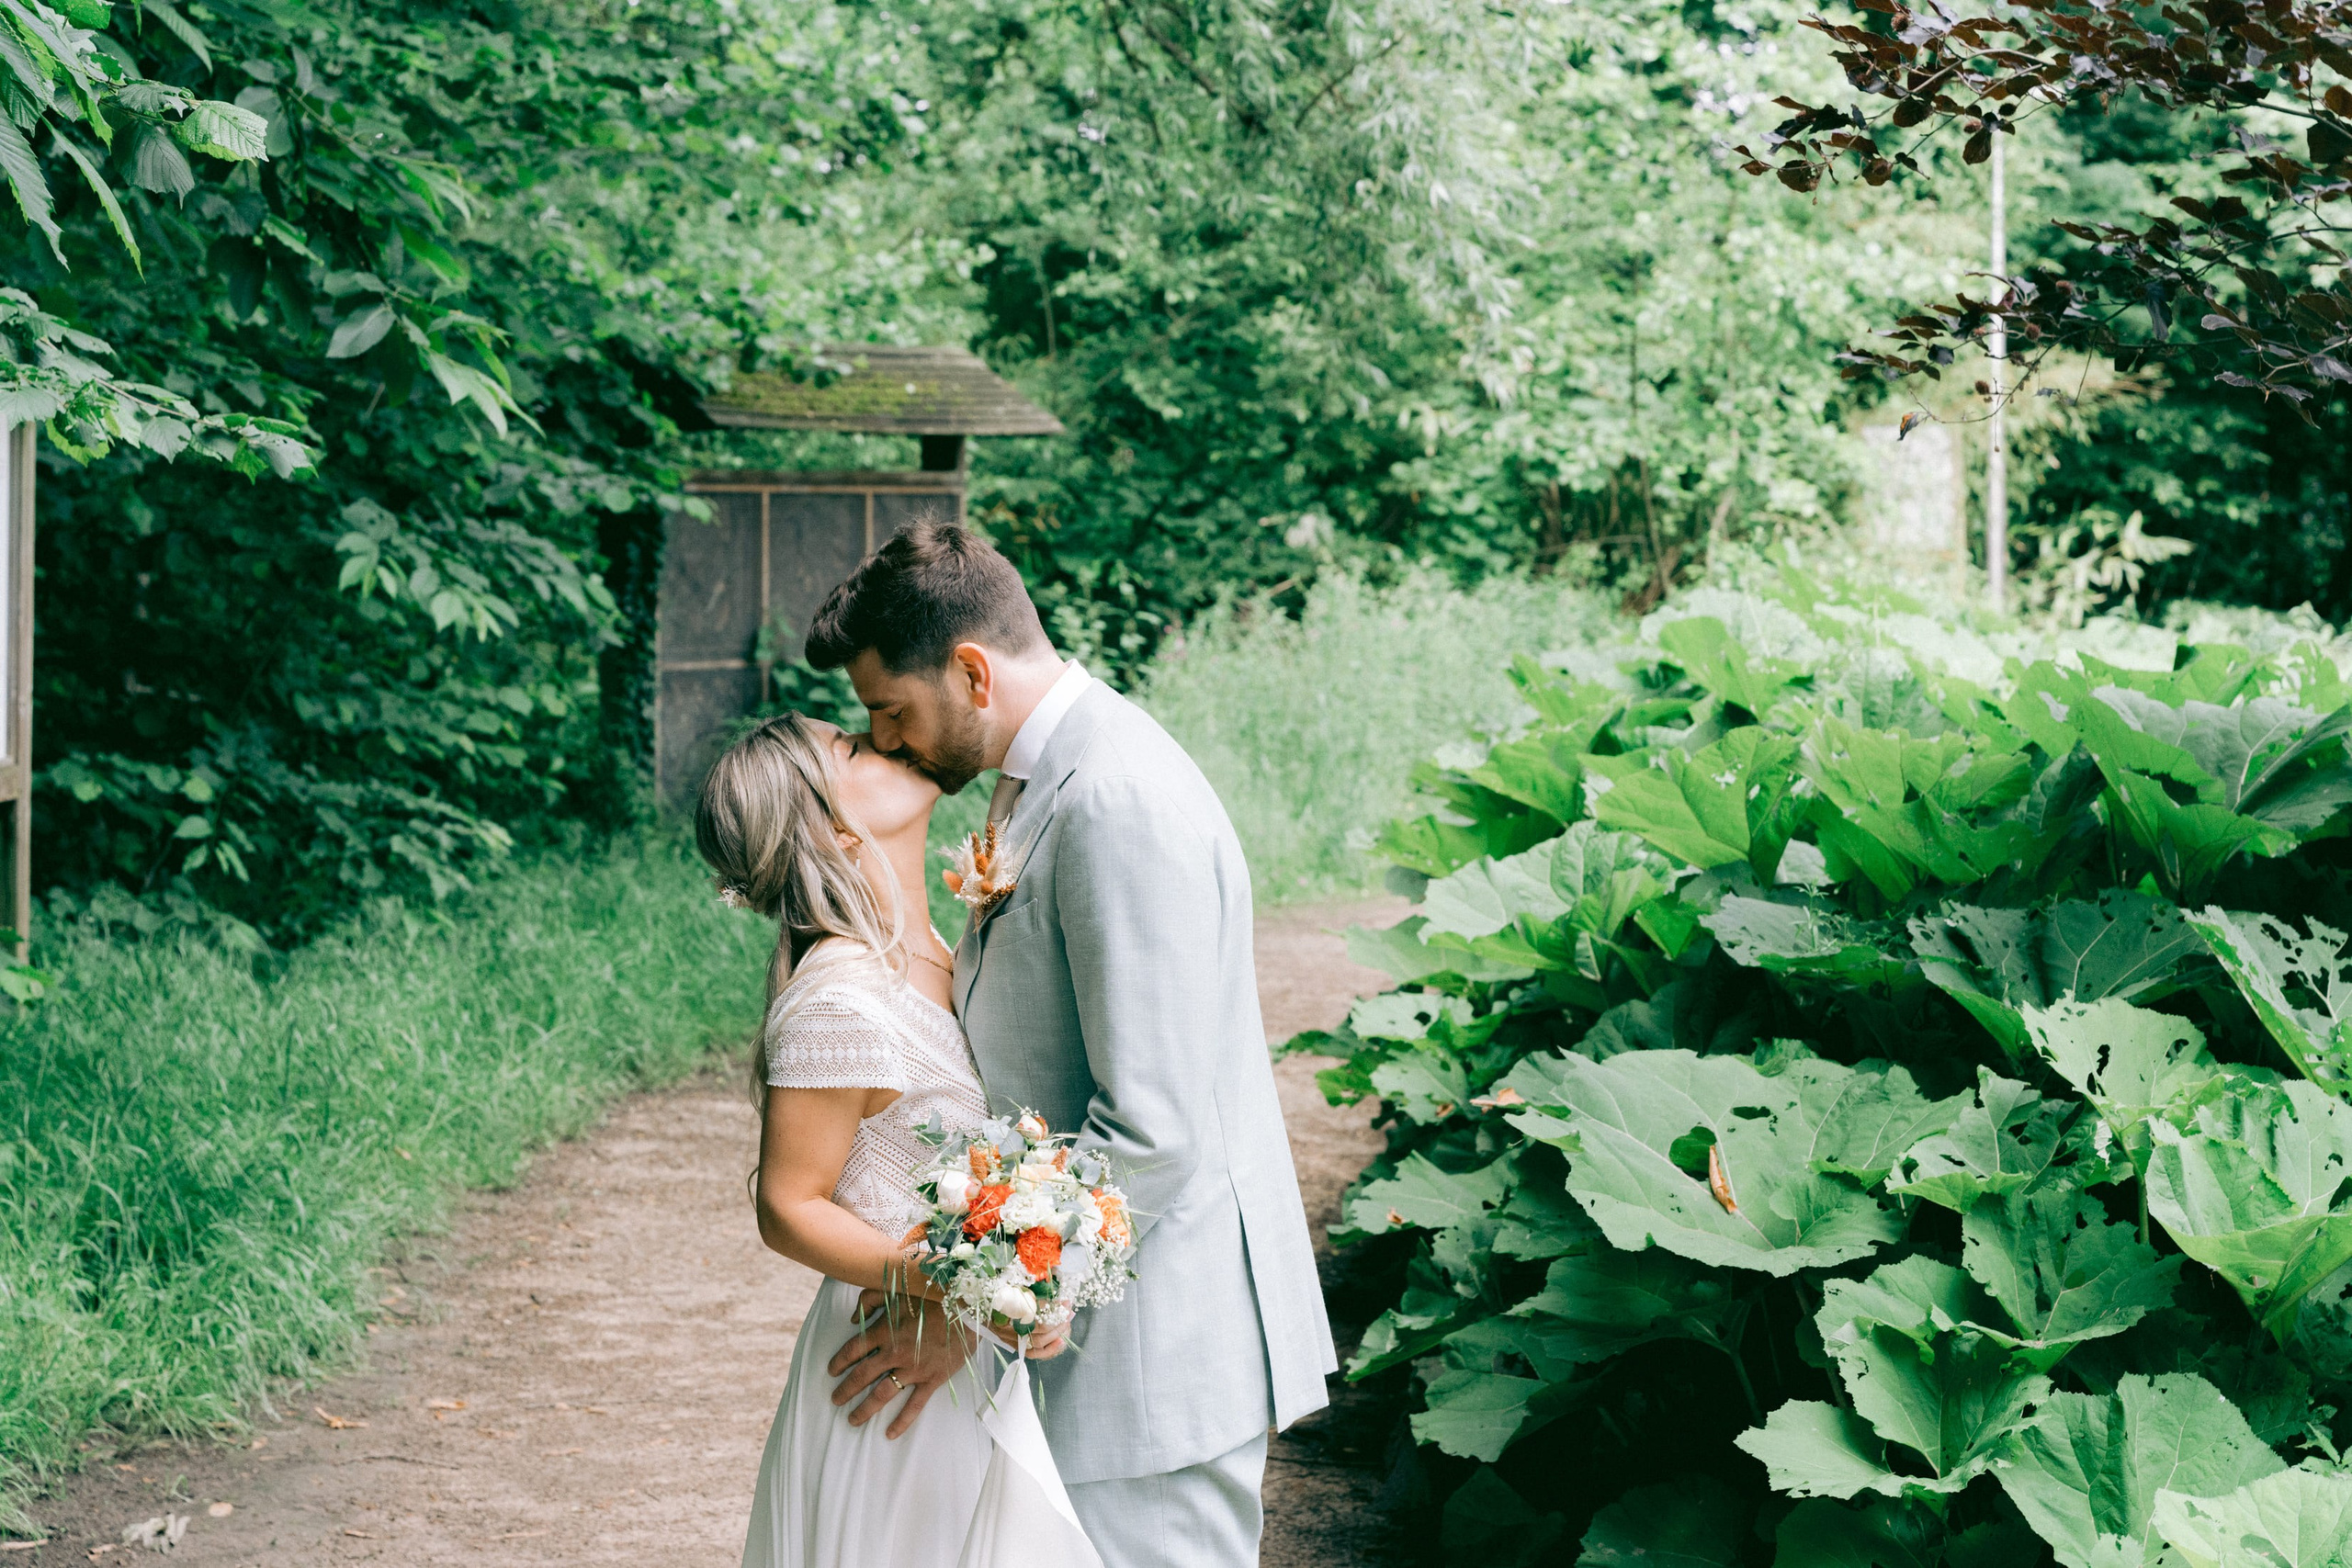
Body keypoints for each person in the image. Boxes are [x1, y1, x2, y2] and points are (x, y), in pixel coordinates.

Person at [800, 519, 1337, 1566]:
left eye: (891, 711)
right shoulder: (1049, 775)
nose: (888, 740)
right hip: (1105, 1335)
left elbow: (1155, 1125)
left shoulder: (1117, 800)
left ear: (969, 670)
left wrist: (976, 1303)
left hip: (1156, 1353)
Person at [696, 714, 1100, 1568]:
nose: (886, 741)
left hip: (956, 1354)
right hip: (892, 1362)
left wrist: (1027, 1279)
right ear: (835, 831)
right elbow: (785, 1204)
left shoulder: (950, 951)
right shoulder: (842, 993)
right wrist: (947, 1290)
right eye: (854, 748)